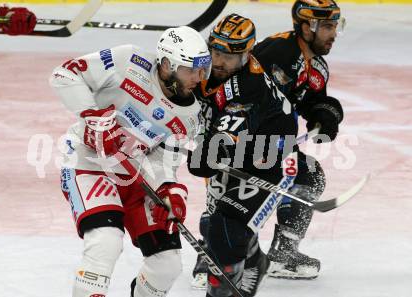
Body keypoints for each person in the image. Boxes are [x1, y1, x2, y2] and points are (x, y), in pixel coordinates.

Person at [49, 26, 211, 297]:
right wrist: (93, 116)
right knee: (105, 242)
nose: (199, 77)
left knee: (167, 265)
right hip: (88, 163)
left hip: (136, 174)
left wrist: (168, 189)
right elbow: (64, 74)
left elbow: (164, 159)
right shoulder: (129, 60)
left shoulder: (191, 115)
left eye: (203, 69)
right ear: (168, 64)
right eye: (191, 69)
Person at [187, 14, 298, 297]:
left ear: (248, 53)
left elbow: (224, 138)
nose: (221, 61)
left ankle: (244, 270)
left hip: (271, 160)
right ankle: (252, 259)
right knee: (212, 224)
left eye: (231, 56)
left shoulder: (250, 85)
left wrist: (209, 152)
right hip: (239, 154)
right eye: (216, 51)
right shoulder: (205, 67)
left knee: (226, 230)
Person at [252, 0, 345, 279]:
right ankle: (210, 257)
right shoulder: (277, 51)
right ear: (307, 27)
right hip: (239, 141)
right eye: (327, 26)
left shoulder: (316, 66)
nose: (333, 34)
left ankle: (283, 254)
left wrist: (325, 114)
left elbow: (312, 101)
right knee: (233, 192)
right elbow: (235, 90)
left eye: (334, 26)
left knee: (309, 175)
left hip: (276, 147)